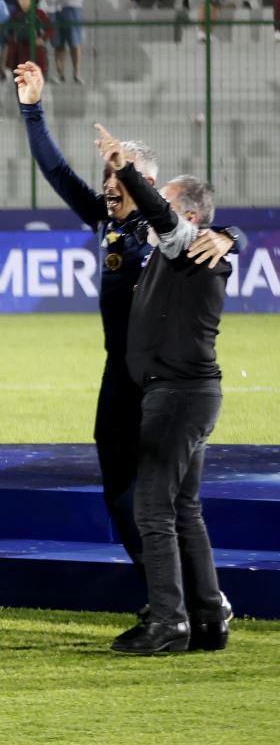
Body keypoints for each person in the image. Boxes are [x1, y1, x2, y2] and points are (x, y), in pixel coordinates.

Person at [92, 127, 239, 654]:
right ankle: (207, 618)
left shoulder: (184, 246)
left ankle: (169, 622)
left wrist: (125, 166)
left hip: (176, 395)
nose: (158, 217)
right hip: (192, 393)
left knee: (153, 509)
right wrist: (234, 234)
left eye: (169, 208)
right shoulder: (194, 251)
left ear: (190, 218)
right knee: (184, 510)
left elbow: (159, 212)